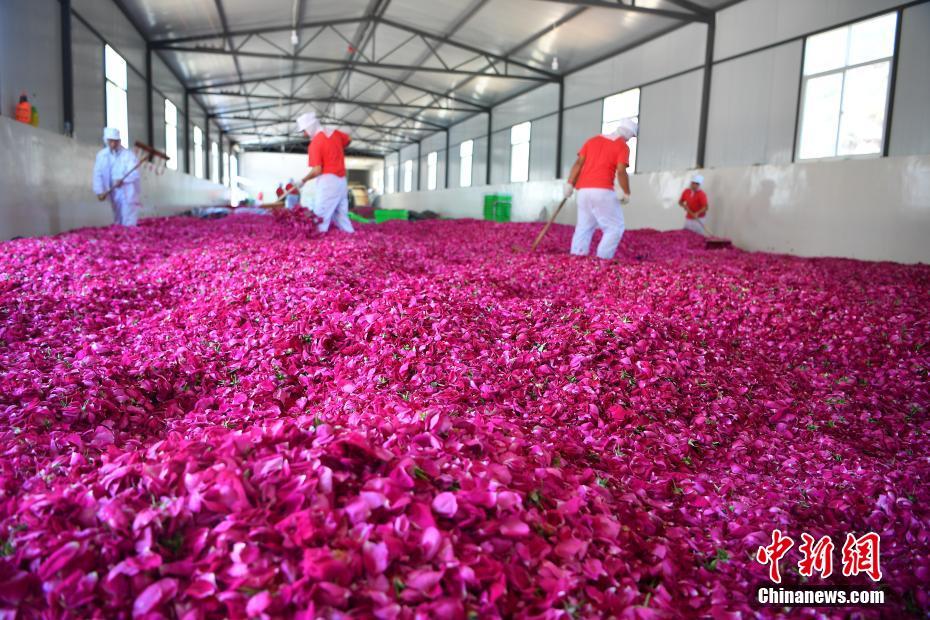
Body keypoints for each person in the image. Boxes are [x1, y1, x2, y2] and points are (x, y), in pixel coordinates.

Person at [563, 118, 637, 259]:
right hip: (603, 191)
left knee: (584, 227)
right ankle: (602, 260)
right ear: (628, 133)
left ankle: (576, 259)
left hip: (583, 191)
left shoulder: (592, 141)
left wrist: (570, 183)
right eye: (631, 137)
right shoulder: (622, 146)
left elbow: (578, 163)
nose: (629, 140)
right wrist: (626, 192)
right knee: (615, 228)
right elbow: (621, 171)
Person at [295, 112, 354, 234]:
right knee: (341, 215)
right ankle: (351, 236)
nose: (304, 134)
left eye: (304, 131)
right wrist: (337, 148)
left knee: (320, 216)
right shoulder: (334, 133)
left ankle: (317, 241)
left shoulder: (315, 143)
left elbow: (317, 170)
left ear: (310, 127)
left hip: (328, 182)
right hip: (341, 181)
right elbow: (349, 139)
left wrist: (303, 180)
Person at [92, 127, 141, 226]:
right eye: (110, 141)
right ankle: (120, 233)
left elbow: (135, 173)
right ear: (106, 141)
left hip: (127, 191)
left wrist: (123, 180)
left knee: (128, 217)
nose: (113, 144)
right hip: (113, 191)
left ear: (119, 141)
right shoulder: (101, 156)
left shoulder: (128, 155)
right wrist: (99, 191)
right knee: (118, 217)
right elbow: (97, 174)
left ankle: (130, 232)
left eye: (115, 141)